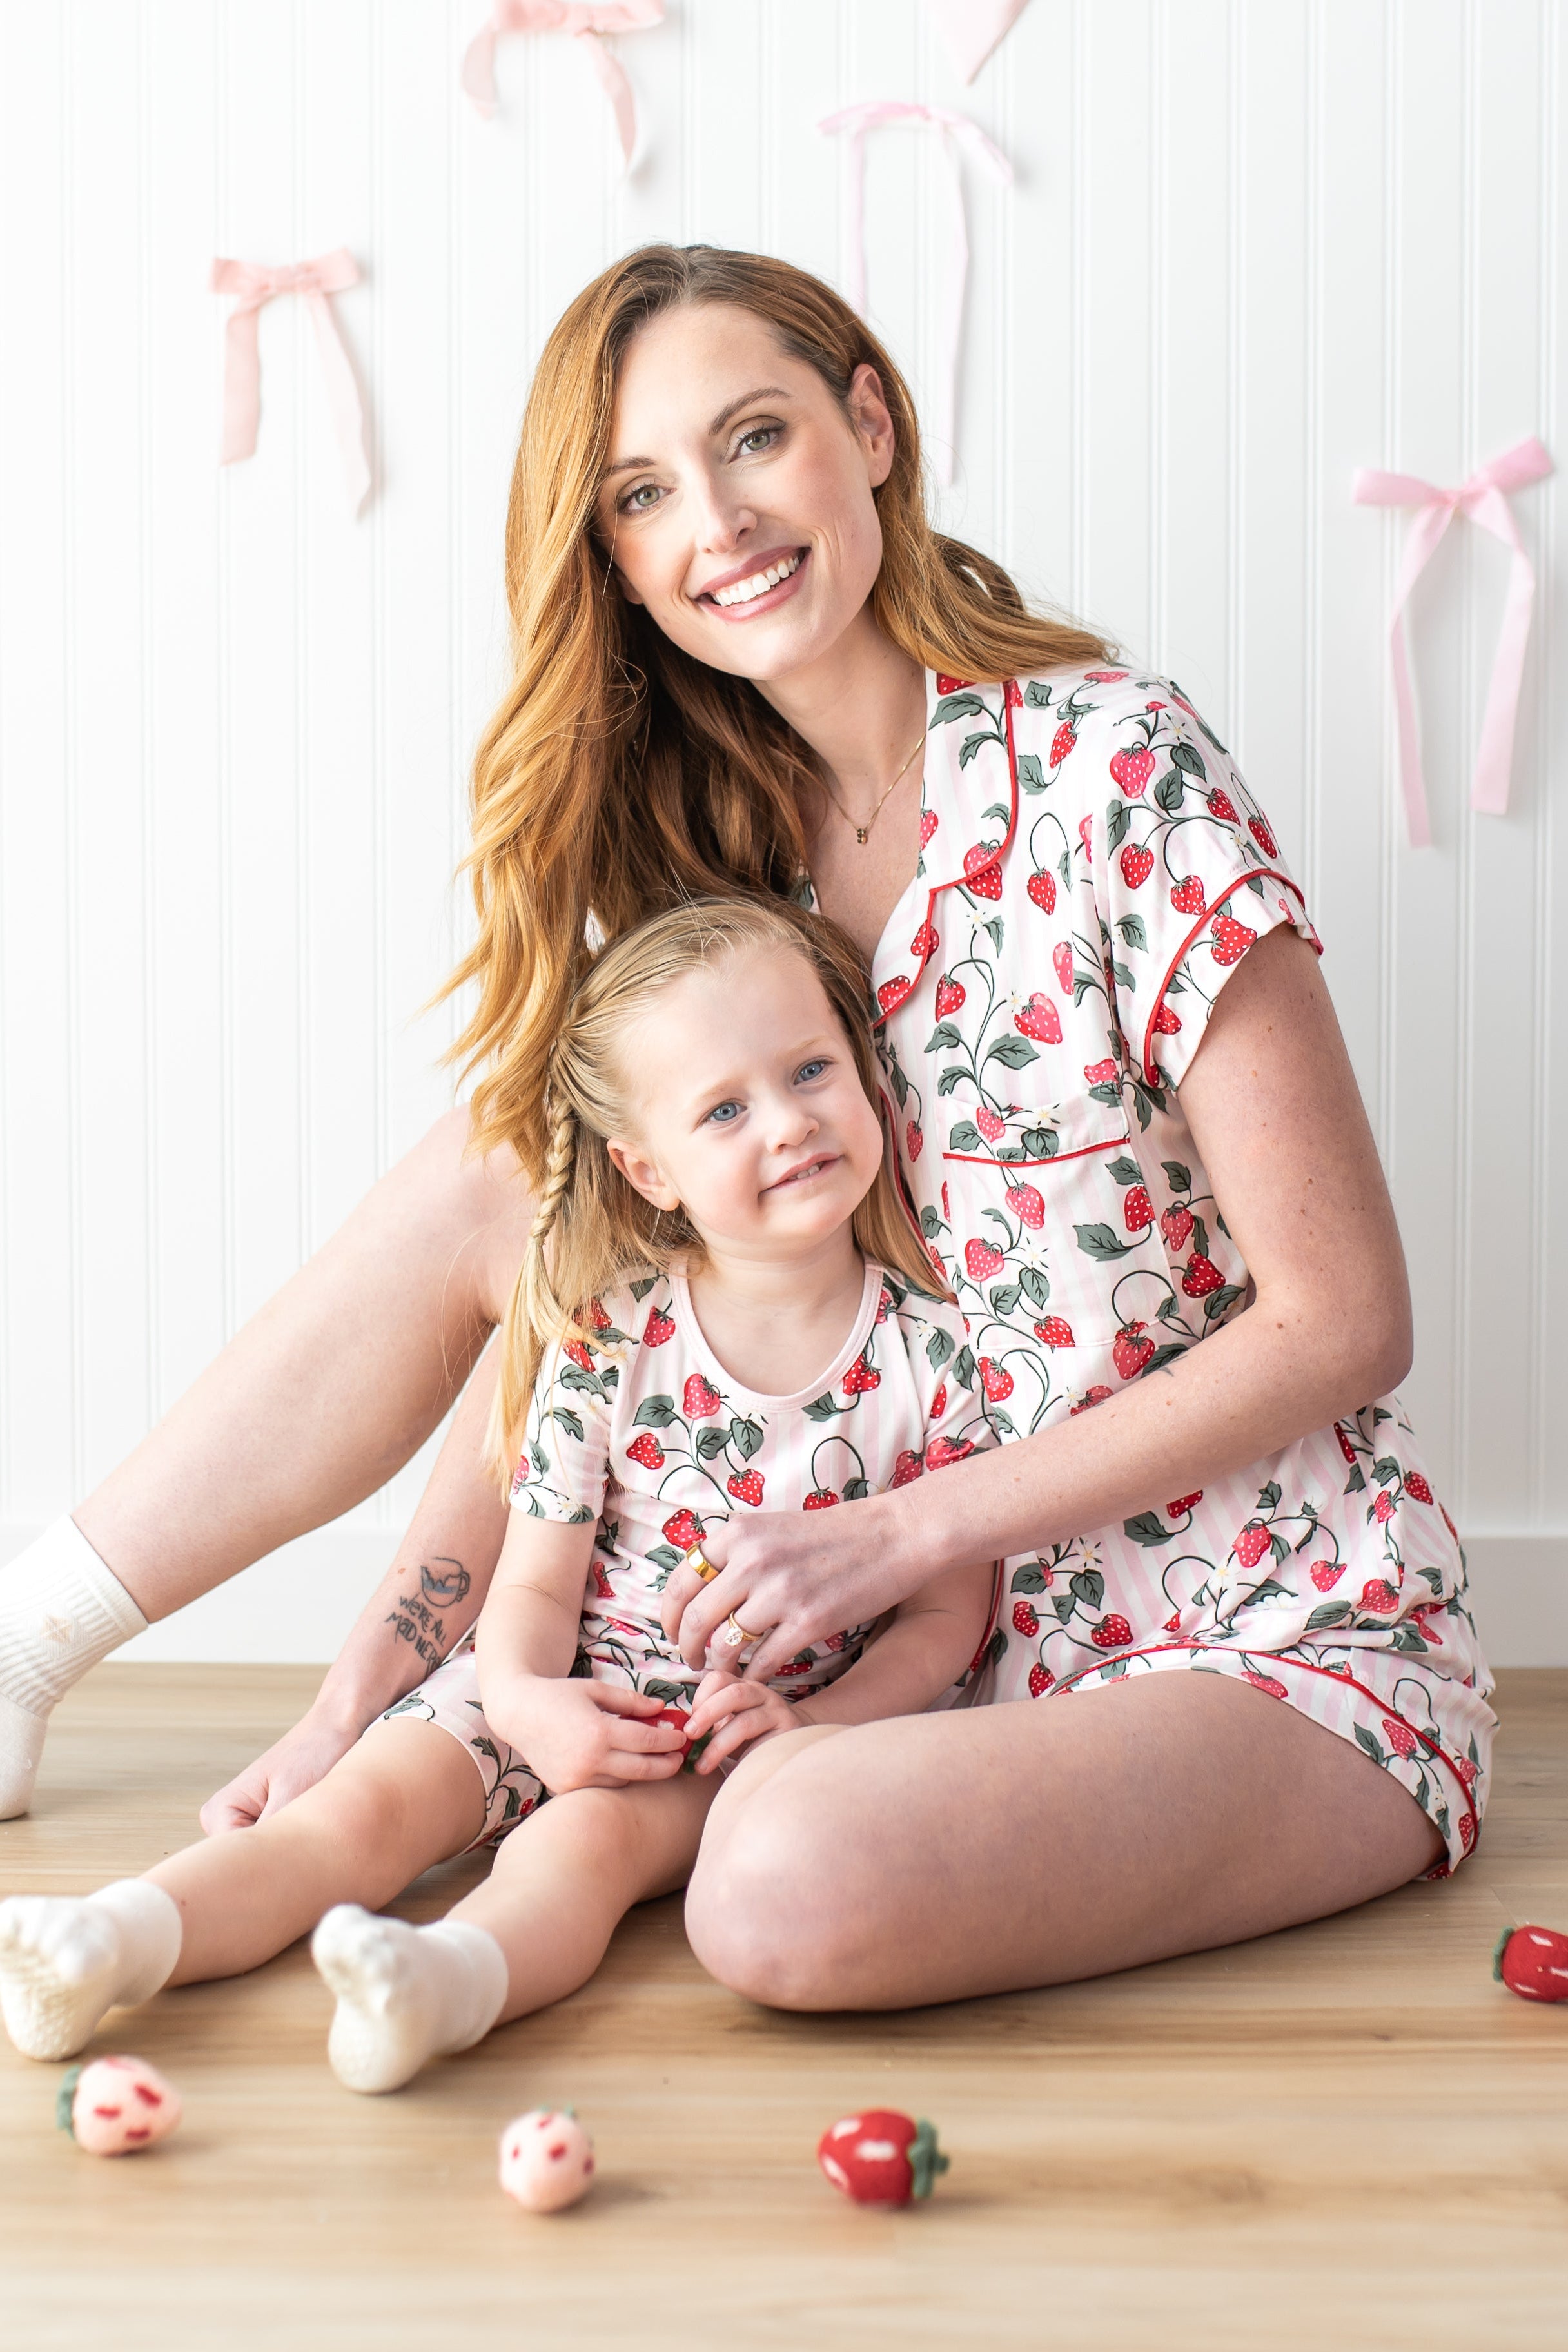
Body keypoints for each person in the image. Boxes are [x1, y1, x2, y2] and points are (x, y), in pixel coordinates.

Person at [0, 244, 1492, 2011]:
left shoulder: (1115, 771)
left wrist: (903, 1539)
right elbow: (576, 1323)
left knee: (772, 1887)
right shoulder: (723, 887)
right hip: (903, 1664)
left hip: (1246, 1627)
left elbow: (1348, 1318)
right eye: (644, 492)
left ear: (868, 425)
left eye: (756, 435)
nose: (716, 520)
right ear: (617, 563)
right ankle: (34, 1637)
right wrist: (366, 1698)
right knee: (517, 1163)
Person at [0, 897, 995, 2083]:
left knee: (576, 1854)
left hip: (704, 1745)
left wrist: (812, 1726)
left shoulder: (939, 1357)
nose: (787, 1122)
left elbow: (949, 1619)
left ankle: (442, 1987)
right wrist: (522, 1701)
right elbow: (533, 1576)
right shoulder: (609, 1339)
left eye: (811, 1070)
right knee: (354, 1815)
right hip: (537, 1679)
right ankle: (112, 1939)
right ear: (649, 1169)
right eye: (725, 1109)